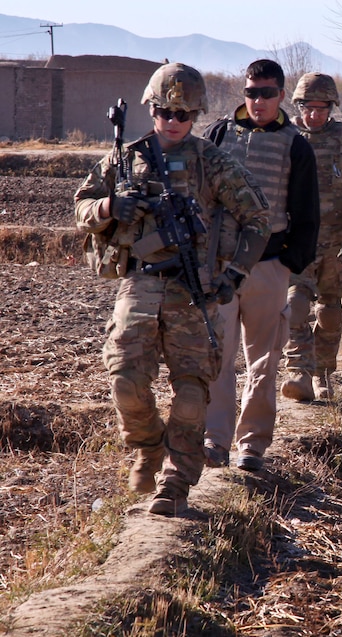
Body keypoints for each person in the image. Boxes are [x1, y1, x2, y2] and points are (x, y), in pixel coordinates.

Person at [74, 62, 271, 516]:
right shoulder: (124, 157)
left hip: (192, 288)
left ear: (196, 115)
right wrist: (110, 205)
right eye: (164, 112)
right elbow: (80, 207)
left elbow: (258, 220)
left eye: (183, 115)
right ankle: (146, 447)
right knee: (124, 380)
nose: (173, 122)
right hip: (139, 284)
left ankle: (176, 483)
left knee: (189, 395)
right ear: (151, 109)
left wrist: (233, 275)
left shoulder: (211, 161)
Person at [202, 59, 320, 473]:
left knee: (264, 360)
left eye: (267, 93)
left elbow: (307, 212)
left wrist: (288, 262)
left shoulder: (296, 144)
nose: (258, 101)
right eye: (251, 92)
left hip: (269, 265)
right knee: (218, 355)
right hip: (221, 268)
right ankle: (214, 440)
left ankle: (251, 445)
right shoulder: (218, 134)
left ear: (281, 96)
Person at [279, 74, 342, 401]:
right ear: (299, 106)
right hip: (297, 241)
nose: (314, 115)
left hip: (337, 241)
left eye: (322, 108)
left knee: (330, 312)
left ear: (332, 108)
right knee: (295, 305)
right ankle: (299, 372)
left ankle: (322, 373)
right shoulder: (286, 137)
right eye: (309, 107)